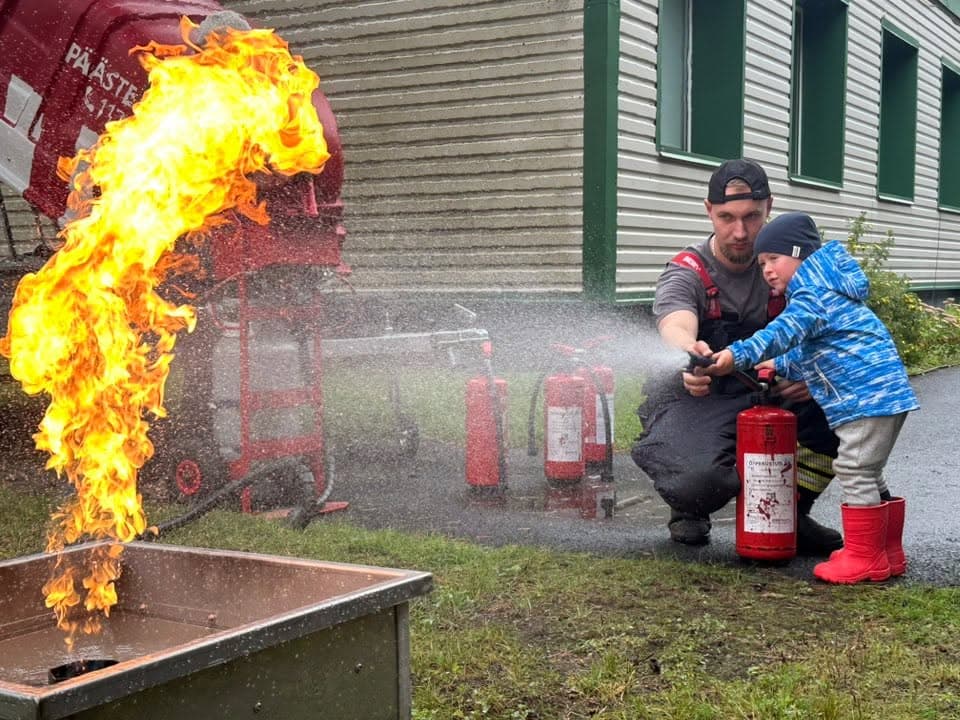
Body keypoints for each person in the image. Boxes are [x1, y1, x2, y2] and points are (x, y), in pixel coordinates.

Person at [631, 159, 842, 553]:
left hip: (773, 391)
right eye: (727, 217)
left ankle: (791, 513)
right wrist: (688, 352)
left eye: (752, 217)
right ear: (709, 211)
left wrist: (813, 372)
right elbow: (675, 324)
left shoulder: (793, 268)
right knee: (697, 481)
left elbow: (837, 330)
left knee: (850, 402)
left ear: (769, 208)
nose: (740, 232)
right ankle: (689, 506)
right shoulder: (688, 270)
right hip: (704, 397)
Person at [709, 211, 919, 583]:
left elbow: (783, 332)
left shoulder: (811, 294)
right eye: (761, 264)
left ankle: (864, 556)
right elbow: (807, 350)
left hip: (865, 398)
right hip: (881, 395)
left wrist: (737, 355)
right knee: (870, 472)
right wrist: (776, 367)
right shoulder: (827, 289)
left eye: (773, 259)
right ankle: (886, 552)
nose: (767, 270)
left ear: (799, 253)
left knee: (854, 470)